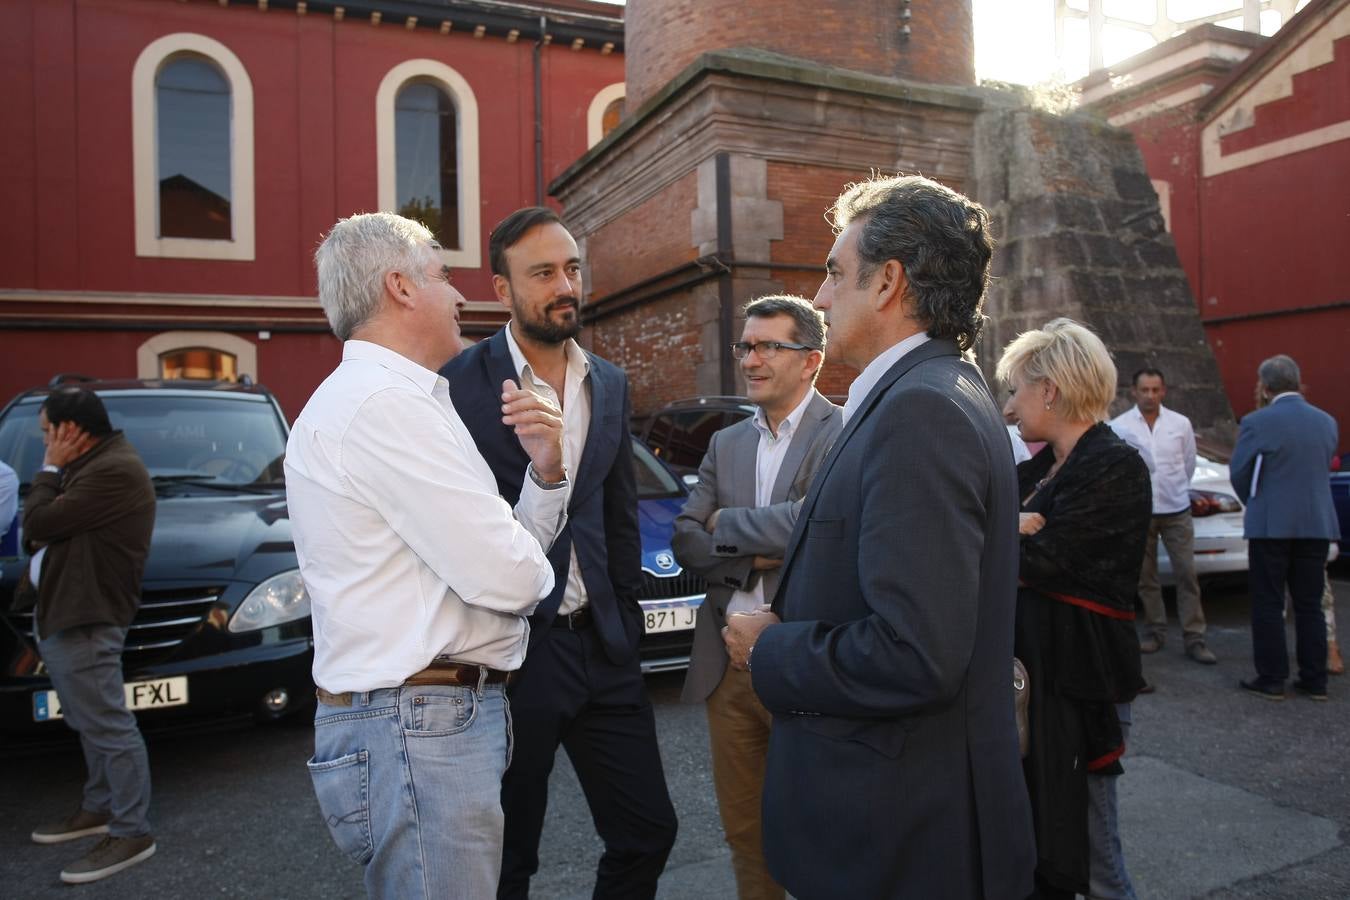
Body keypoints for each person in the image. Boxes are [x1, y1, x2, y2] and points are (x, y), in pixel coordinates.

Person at [722, 174, 1035, 900]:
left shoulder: (919, 411)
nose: (823, 298)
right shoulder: (933, 390)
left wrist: (771, 647)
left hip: (899, 839)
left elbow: (916, 653)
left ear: (889, 281)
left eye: (835, 272)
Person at [286, 212, 570, 899]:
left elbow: (504, 557)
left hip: (422, 721)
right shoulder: (385, 406)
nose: (460, 296)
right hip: (418, 727)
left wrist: (547, 472)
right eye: (442, 276)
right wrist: (522, 563)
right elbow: (511, 575)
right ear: (400, 288)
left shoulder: (399, 401)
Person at [442, 207, 678, 899]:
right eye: (542, 272)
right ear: (501, 289)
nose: (564, 284)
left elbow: (616, 512)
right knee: (508, 859)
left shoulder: (608, 381)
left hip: (603, 648)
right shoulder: (458, 385)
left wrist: (626, 624)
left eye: (572, 268)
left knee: (647, 832)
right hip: (516, 657)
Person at [672, 295, 842, 900]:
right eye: (746, 345)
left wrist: (729, 526)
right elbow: (686, 538)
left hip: (803, 660)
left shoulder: (842, 433)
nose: (752, 358)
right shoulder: (726, 443)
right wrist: (762, 549)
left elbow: (819, 527)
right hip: (728, 668)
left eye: (770, 345)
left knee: (825, 826)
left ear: (811, 359)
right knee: (746, 831)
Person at [997, 318, 1152, 900]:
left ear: (1051, 390)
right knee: (1044, 847)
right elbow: (977, 530)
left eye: (1016, 389)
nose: (1010, 406)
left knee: (1096, 861)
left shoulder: (1115, 465)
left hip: (1081, 683)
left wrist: (1003, 535)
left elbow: (1045, 560)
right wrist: (1010, 528)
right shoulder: (1037, 471)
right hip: (1034, 685)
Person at [20, 387, 157, 884]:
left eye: (46, 433)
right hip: (68, 611)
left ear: (68, 431)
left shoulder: (111, 470)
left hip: (88, 615)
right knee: (87, 718)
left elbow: (36, 522)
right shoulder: (95, 465)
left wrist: (50, 471)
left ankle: (131, 829)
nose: (44, 442)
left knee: (106, 723)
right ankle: (99, 806)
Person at [1230, 354, 1340, 701]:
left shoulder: (1257, 421)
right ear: (1298, 381)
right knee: (1309, 604)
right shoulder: (1326, 422)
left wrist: (1258, 499)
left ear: (1265, 385)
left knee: (1268, 602)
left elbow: (1239, 472)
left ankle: (1272, 677)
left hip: (1271, 524)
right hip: (1317, 522)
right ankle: (1315, 679)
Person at [1109, 368, 1216, 664]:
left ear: (1163, 391)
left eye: (1155, 390)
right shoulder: (1120, 426)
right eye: (1145, 390)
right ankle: (1155, 631)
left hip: (1176, 508)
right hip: (1142, 512)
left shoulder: (1180, 424)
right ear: (1134, 391)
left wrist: (1178, 488)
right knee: (1146, 578)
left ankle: (1194, 636)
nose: (1150, 395)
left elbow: (1189, 463)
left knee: (1186, 573)